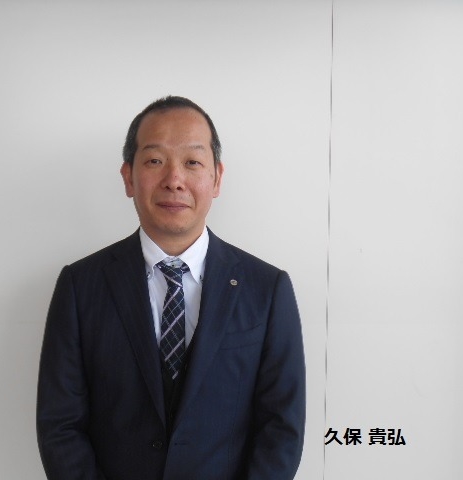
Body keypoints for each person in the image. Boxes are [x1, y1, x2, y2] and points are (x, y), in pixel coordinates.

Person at [36, 96, 305, 480]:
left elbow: (282, 426)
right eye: (154, 161)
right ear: (128, 177)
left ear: (217, 178)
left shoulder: (267, 288)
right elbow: (60, 424)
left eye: (192, 162)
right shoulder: (80, 286)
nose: (174, 179)